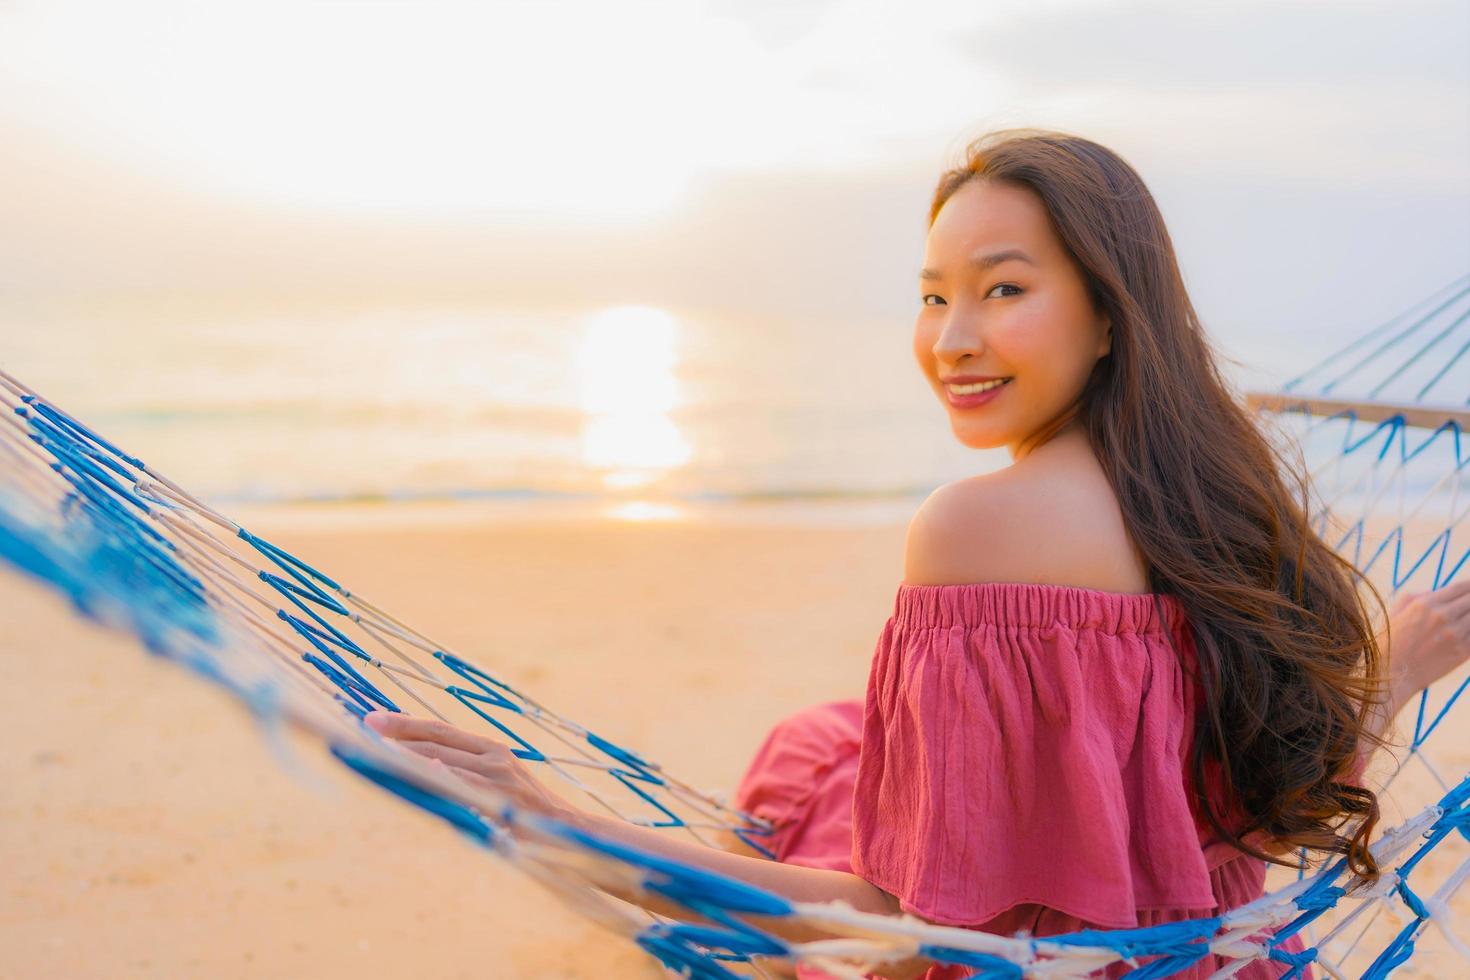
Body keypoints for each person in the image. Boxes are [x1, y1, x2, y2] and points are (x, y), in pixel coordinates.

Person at [362, 129, 1470, 979]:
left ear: (1107, 313)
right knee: (831, 741)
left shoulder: (976, 526)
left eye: (1003, 289)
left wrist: (546, 810)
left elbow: (889, 919)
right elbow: (1258, 822)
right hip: (1219, 954)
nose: (950, 340)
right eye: (934, 295)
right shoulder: (1222, 503)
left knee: (809, 763)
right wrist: (1396, 668)